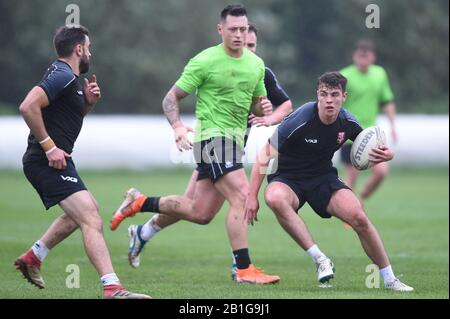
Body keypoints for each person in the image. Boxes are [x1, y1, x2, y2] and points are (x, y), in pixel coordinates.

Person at [110, 5, 280, 284]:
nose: (239, 35)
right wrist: (177, 127)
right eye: (233, 29)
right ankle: (243, 269)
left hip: (234, 143)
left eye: (243, 29)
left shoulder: (256, 65)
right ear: (220, 30)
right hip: (211, 139)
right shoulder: (205, 61)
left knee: (200, 212)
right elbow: (170, 98)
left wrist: (263, 108)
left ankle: (140, 203)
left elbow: (256, 108)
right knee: (241, 196)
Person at [243, 71, 413, 291]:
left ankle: (390, 279)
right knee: (274, 198)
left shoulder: (348, 122)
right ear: (318, 95)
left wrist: (387, 154)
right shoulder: (301, 118)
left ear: (344, 96)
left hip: (323, 178)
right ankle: (320, 259)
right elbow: (265, 155)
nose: (329, 100)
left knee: (359, 217)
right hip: (287, 178)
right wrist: (252, 196)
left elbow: (371, 149)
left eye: (334, 94)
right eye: (324, 94)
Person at [15, 26, 151, 299]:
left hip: (57, 159)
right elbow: (27, 106)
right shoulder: (64, 75)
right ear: (79, 49)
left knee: (84, 212)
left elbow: (61, 118)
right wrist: (49, 147)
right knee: (90, 217)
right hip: (46, 160)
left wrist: (86, 104)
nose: (90, 52)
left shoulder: (68, 78)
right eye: (88, 47)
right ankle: (112, 288)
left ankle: (33, 257)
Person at [340, 39, 398, 203]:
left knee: (381, 172)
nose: (363, 59)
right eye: (360, 55)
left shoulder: (379, 74)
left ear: (373, 57)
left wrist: (393, 126)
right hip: (349, 132)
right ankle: (349, 210)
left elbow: (387, 101)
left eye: (366, 56)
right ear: (354, 56)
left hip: (371, 134)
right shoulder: (345, 76)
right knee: (351, 175)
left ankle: (362, 197)